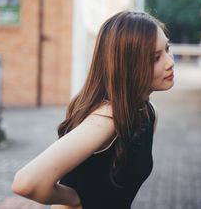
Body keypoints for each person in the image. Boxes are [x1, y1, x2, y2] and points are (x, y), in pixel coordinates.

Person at [11, 11, 175, 209]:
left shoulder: (147, 113)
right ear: (128, 65)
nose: (170, 62)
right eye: (156, 58)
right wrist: (76, 199)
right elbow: (26, 183)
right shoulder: (107, 120)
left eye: (167, 48)